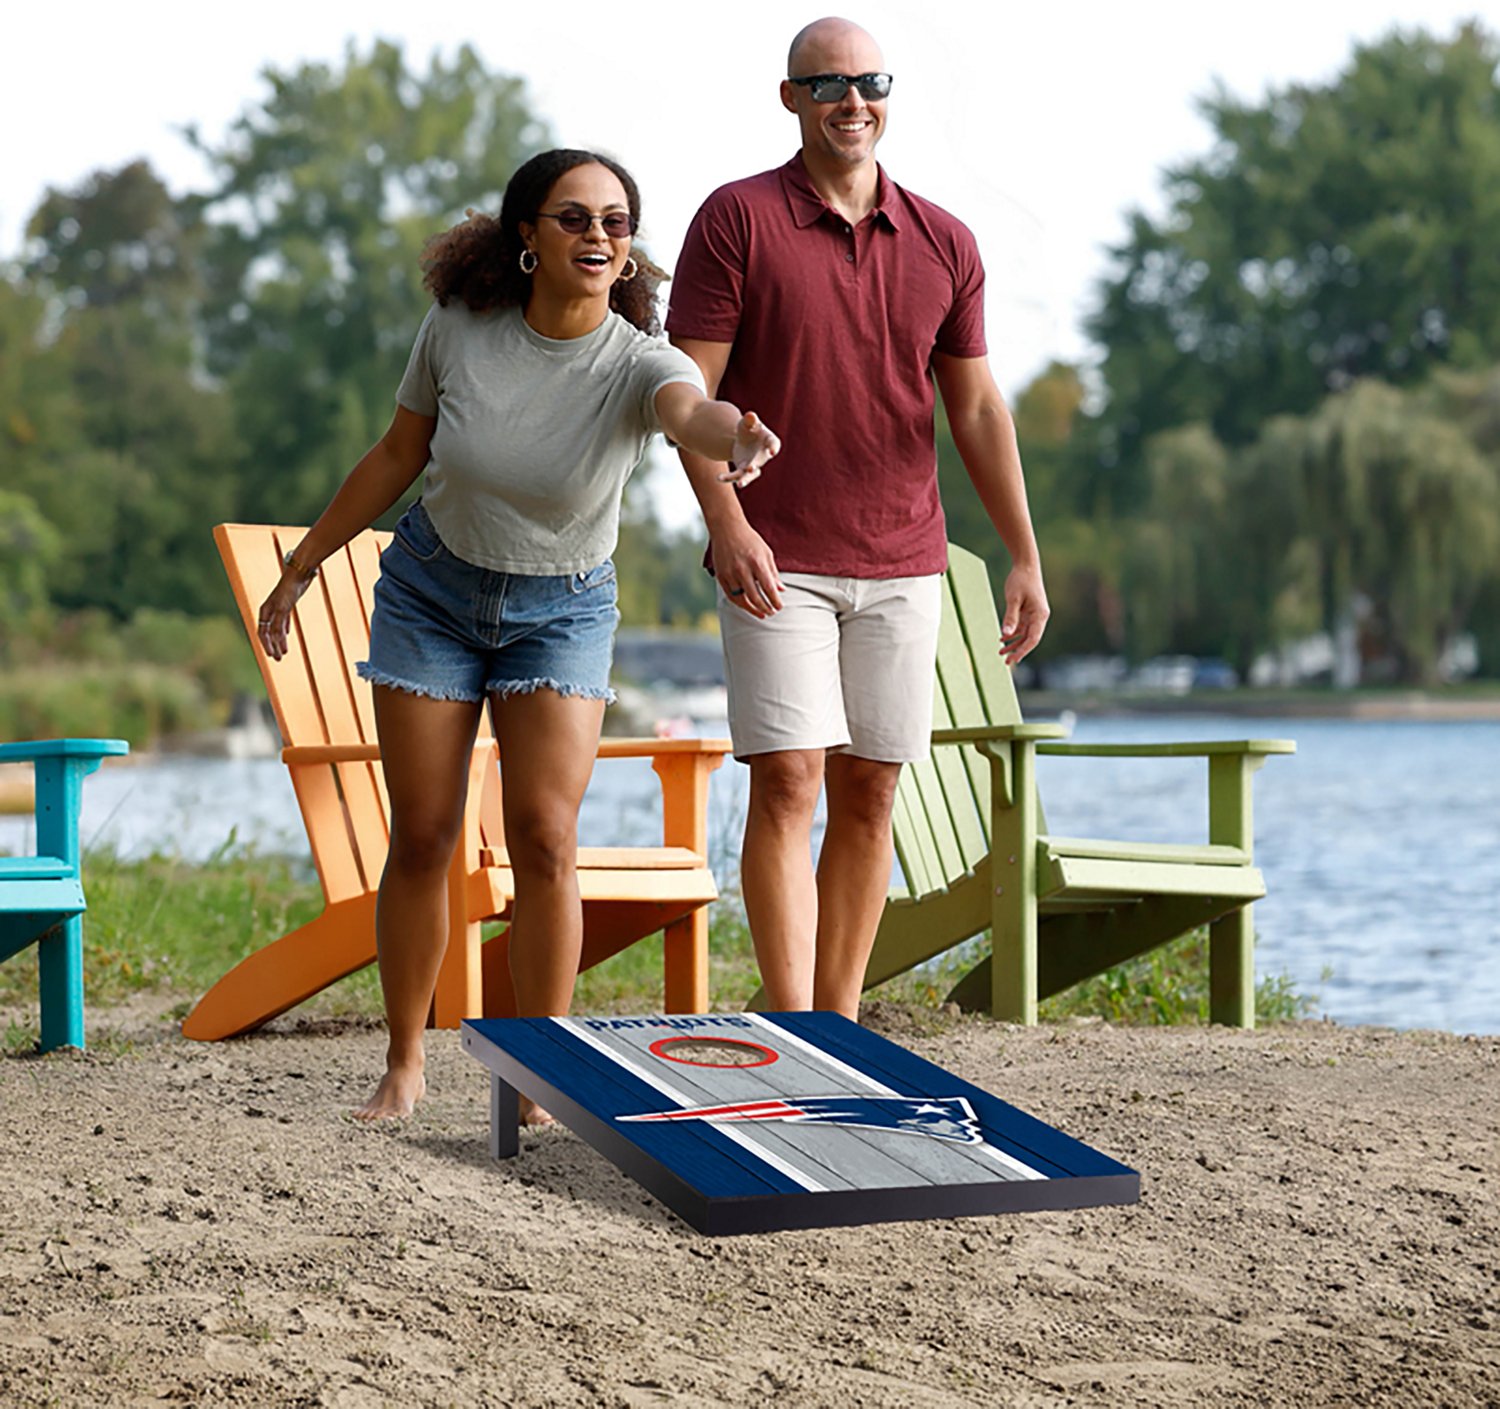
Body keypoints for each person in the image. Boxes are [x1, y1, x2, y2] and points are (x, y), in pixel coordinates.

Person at [255, 149, 781, 1122]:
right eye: (574, 218)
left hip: (563, 610)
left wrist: (733, 437)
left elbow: (688, 413)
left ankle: (541, 1071)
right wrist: (307, 561)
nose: (597, 236)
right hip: (432, 596)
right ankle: (406, 1061)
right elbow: (398, 453)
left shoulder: (639, 360)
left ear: (628, 252)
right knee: (423, 834)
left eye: (615, 223)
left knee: (545, 836)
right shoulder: (459, 329)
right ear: (528, 238)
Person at [666, 18, 1049, 1019]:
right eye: (829, 84)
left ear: (888, 94)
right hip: (775, 556)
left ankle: (836, 1020)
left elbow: (975, 408)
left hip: (903, 558)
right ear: (789, 98)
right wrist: (727, 523)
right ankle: (792, 1021)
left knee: (872, 789)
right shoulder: (734, 221)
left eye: (870, 82)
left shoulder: (944, 241)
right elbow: (682, 397)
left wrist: (1022, 553)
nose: (853, 100)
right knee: (789, 779)